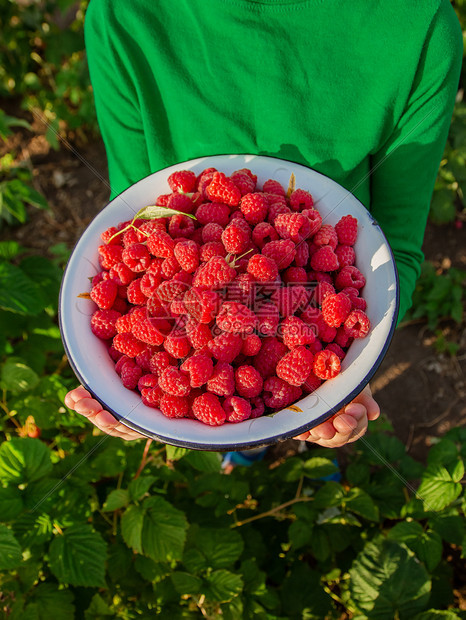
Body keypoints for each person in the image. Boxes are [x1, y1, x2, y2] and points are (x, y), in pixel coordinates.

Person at [64, 0, 462, 447]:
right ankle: (243, 450)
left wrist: (347, 377)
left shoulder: (419, 28)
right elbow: (135, 219)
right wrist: (137, 394)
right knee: (245, 426)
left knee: (310, 415)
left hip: (309, 317)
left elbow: (396, 247)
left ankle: (295, 451)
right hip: (228, 338)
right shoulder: (121, 15)